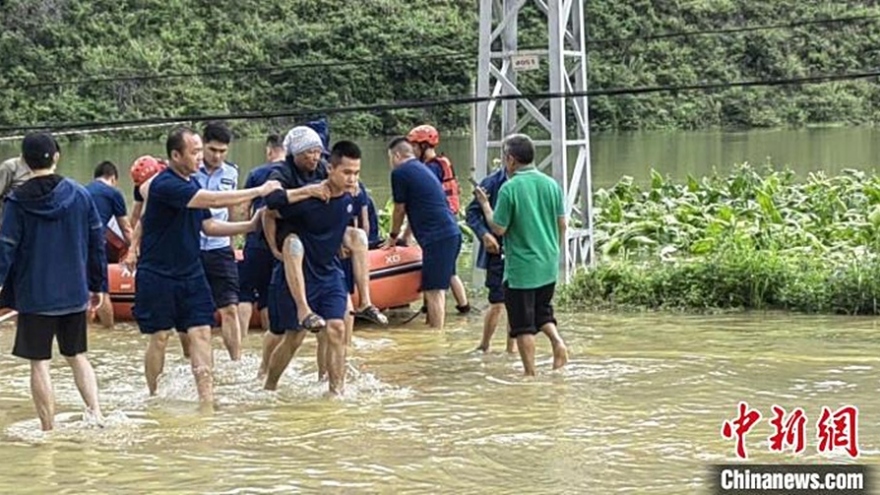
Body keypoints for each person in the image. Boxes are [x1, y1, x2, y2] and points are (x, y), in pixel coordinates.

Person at [134, 126, 280, 405]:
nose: (200, 157)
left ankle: (206, 401)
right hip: (158, 274)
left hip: (191, 272)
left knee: (201, 332)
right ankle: (153, 397)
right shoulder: (166, 184)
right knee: (160, 337)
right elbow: (213, 200)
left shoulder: (191, 184)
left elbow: (209, 225)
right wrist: (259, 190)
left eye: (201, 150)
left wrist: (249, 226)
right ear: (175, 155)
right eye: (195, 152)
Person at [0, 132, 106, 431]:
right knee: (77, 356)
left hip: (35, 295)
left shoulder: (16, 201)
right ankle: (96, 414)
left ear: (23, 161)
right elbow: (97, 241)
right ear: (56, 157)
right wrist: (98, 286)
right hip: (74, 291)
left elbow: (6, 246)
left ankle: (48, 430)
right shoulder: (80, 194)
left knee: (39, 363)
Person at [263, 140, 363, 395]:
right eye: (347, 172)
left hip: (329, 273)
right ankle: (269, 387)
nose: (352, 179)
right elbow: (270, 212)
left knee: (337, 328)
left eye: (356, 173)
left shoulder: (354, 196)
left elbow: (346, 223)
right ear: (330, 169)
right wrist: (275, 249)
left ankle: (336, 392)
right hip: (301, 275)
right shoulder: (312, 196)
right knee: (294, 339)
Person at [474, 134, 568, 376]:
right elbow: (563, 224)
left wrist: (485, 204)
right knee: (543, 312)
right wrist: (551, 249)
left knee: (523, 325)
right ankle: (558, 343)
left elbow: (499, 228)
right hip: (548, 264)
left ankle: (530, 374)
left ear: (511, 160)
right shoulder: (551, 184)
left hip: (522, 268)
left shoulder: (510, 187)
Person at [383, 137, 462, 329]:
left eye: (390, 159)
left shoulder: (400, 173)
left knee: (434, 290)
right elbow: (415, 208)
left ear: (397, 155)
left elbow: (400, 209)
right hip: (450, 233)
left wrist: (392, 238)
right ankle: (435, 328)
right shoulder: (423, 170)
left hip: (438, 237)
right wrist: (405, 236)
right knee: (436, 285)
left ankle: (436, 339)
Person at [406, 124, 470, 315]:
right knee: (449, 271)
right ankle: (463, 307)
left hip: (438, 228)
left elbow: (418, 202)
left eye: (415, 146)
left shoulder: (429, 170)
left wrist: (405, 233)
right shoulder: (443, 163)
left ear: (424, 146)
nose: (412, 151)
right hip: (450, 225)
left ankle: (432, 313)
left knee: (436, 278)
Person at [194, 121, 243, 361]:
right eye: (212, 150)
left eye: (222, 151)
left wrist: (234, 245)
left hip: (220, 248)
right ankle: (197, 360)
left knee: (231, 308)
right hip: (191, 248)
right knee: (195, 313)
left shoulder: (232, 172)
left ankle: (235, 361)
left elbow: (232, 207)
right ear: (202, 146)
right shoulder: (189, 171)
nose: (217, 156)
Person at [237, 133, 285, 337]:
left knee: (245, 292)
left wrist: (242, 233)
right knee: (268, 296)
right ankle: (269, 342)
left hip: (256, 241)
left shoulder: (256, 174)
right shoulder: (293, 174)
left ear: (269, 151)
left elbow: (243, 207)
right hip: (281, 244)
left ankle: (240, 345)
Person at [466, 162, 516, 354]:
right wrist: (484, 235)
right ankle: (484, 345)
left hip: (518, 251)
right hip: (497, 251)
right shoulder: (492, 182)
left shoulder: (526, 183)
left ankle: (511, 349)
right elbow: (472, 213)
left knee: (515, 302)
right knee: (496, 301)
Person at [84, 161, 133, 329]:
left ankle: (85, 332)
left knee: (84, 291)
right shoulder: (113, 193)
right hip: (96, 244)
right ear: (113, 178)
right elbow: (125, 228)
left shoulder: (82, 191)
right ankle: (108, 330)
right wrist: (135, 250)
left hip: (76, 244)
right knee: (101, 290)